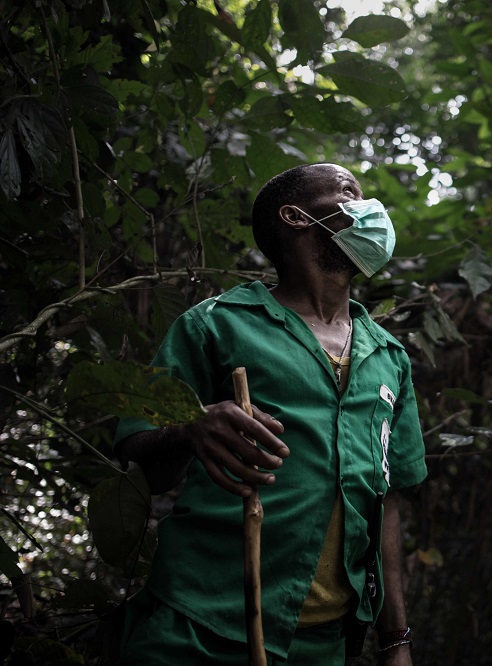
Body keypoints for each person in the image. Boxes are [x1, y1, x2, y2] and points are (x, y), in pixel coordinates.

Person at [114, 163, 426, 665]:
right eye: (349, 191)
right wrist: (190, 430)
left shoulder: (390, 356)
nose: (371, 209)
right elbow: (138, 467)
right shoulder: (214, 324)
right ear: (296, 216)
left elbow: (386, 504)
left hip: (326, 644)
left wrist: (396, 640)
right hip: (198, 626)